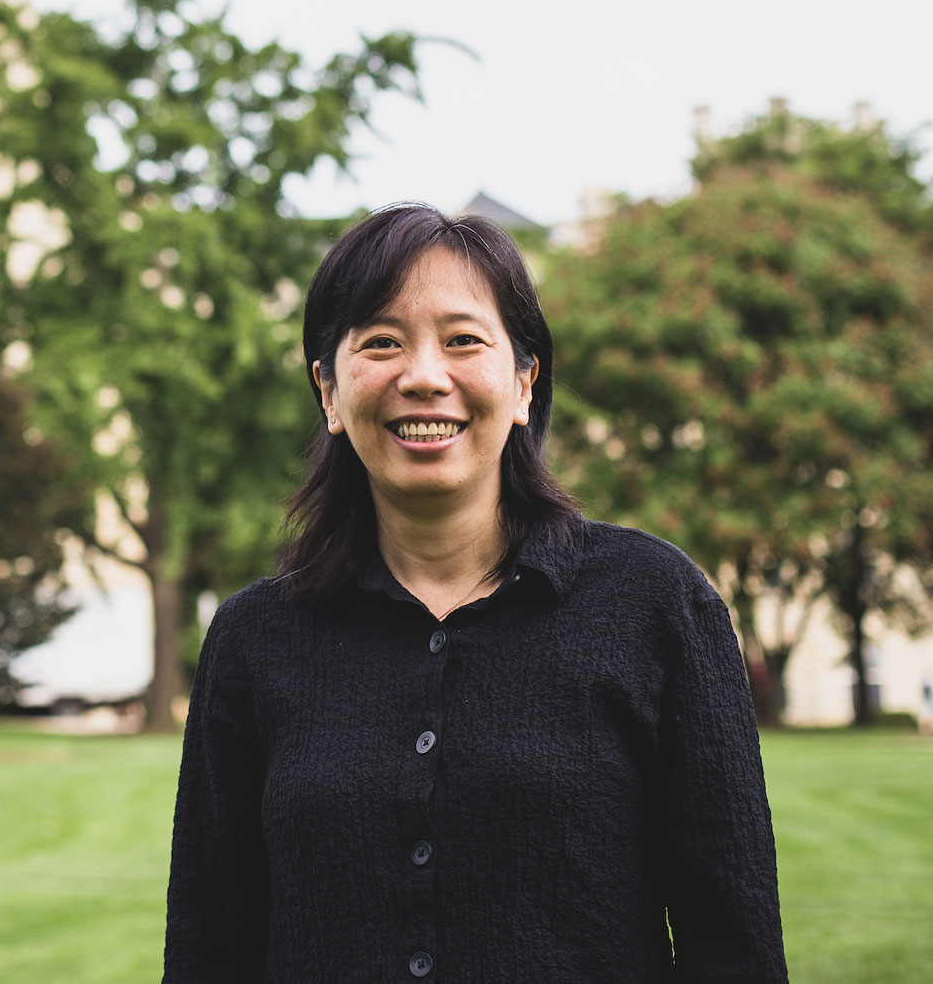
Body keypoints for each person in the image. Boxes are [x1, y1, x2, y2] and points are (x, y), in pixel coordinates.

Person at [164, 204, 787, 982]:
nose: (424, 377)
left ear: (525, 382)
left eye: (464, 341)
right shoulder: (254, 637)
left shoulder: (655, 604)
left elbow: (733, 942)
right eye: (382, 343)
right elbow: (208, 947)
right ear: (329, 391)